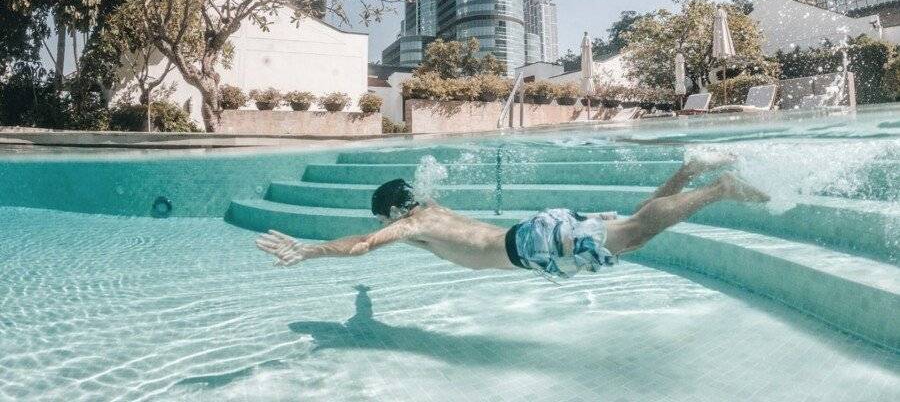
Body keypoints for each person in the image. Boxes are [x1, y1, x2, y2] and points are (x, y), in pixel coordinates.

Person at [255, 156, 769, 279]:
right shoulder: (431, 212)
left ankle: (717, 187)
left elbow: (365, 243)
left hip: (531, 246)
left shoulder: (414, 223)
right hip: (533, 236)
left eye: (385, 214)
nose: (388, 223)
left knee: (636, 231)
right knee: (634, 230)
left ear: (394, 210)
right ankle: (691, 170)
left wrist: (311, 249)